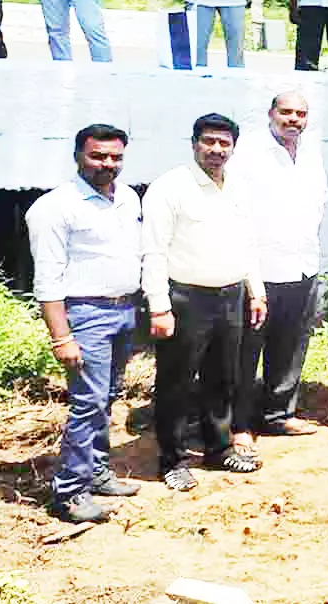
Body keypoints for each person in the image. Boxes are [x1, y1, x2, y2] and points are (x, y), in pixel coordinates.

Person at [142, 114, 267, 491]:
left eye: (224, 143)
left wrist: (256, 290)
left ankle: (217, 448)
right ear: (194, 142)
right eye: (209, 141)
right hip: (185, 298)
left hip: (231, 295)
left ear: (233, 147)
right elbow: (153, 251)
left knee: (222, 378)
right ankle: (173, 459)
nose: (216, 150)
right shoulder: (170, 188)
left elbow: (248, 243)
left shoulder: (238, 187)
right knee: (176, 382)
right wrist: (159, 306)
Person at [26, 124, 142, 523]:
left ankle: (95, 472)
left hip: (125, 311)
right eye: (98, 156)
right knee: (87, 403)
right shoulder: (55, 208)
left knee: (106, 397)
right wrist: (62, 337)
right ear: (78, 156)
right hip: (86, 316)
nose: (107, 164)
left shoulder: (127, 198)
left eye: (115, 157)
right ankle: (70, 493)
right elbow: (47, 281)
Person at [229, 92, 327, 453]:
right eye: (285, 112)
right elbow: (238, 213)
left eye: (300, 113)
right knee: (246, 349)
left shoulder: (311, 152)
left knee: (291, 345)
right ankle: (239, 423)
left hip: (302, 267)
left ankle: (278, 413)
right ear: (270, 113)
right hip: (260, 270)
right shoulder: (248, 153)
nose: (293, 119)